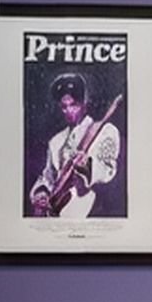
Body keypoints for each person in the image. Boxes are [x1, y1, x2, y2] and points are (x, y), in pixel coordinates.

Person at [29, 70, 120, 217]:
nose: (68, 111)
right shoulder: (56, 141)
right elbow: (48, 176)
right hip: (56, 213)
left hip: (90, 208)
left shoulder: (104, 131)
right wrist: (42, 193)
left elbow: (108, 169)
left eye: (73, 105)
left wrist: (87, 167)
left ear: (84, 103)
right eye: (64, 107)